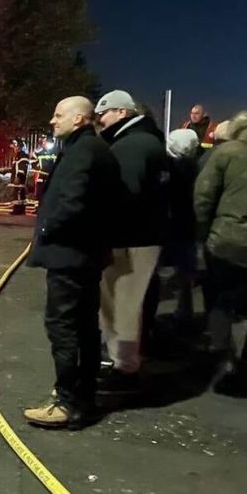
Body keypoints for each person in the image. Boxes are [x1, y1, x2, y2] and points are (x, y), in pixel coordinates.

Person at [24, 96, 124, 429]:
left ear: (80, 119)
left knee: (64, 326)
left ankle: (67, 402)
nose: (52, 121)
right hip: (86, 255)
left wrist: (47, 228)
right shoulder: (93, 149)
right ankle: (83, 396)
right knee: (84, 326)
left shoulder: (83, 152)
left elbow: (74, 201)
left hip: (70, 255)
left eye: (58, 115)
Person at [93, 90, 168, 394]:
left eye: (104, 114)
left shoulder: (133, 145)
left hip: (131, 236)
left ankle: (125, 369)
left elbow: (125, 192)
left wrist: (101, 227)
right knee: (122, 301)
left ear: (122, 113)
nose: (101, 120)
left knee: (123, 302)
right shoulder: (144, 140)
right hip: (139, 233)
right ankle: (120, 360)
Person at [195, 111, 247, 397]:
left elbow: (203, 196)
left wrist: (202, 234)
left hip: (226, 240)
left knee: (219, 300)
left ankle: (223, 358)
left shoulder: (226, 153)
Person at [142, 129, 199, 351]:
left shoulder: (164, 166)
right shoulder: (197, 166)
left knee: (155, 274)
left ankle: (151, 320)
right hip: (186, 225)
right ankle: (185, 313)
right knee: (185, 273)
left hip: (165, 224)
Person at [8, 138, 31, 214]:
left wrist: (18, 177)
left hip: (20, 179)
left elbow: (22, 167)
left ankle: (17, 210)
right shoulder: (19, 155)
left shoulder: (22, 156)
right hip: (19, 179)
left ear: (19, 147)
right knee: (20, 195)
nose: (14, 148)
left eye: (15, 146)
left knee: (18, 194)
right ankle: (20, 210)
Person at [32, 136, 58, 204]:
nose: (45, 143)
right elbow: (34, 161)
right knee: (39, 192)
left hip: (51, 176)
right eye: (44, 142)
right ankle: (38, 208)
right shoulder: (40, 152)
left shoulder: (56, 152)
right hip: (41, 176)